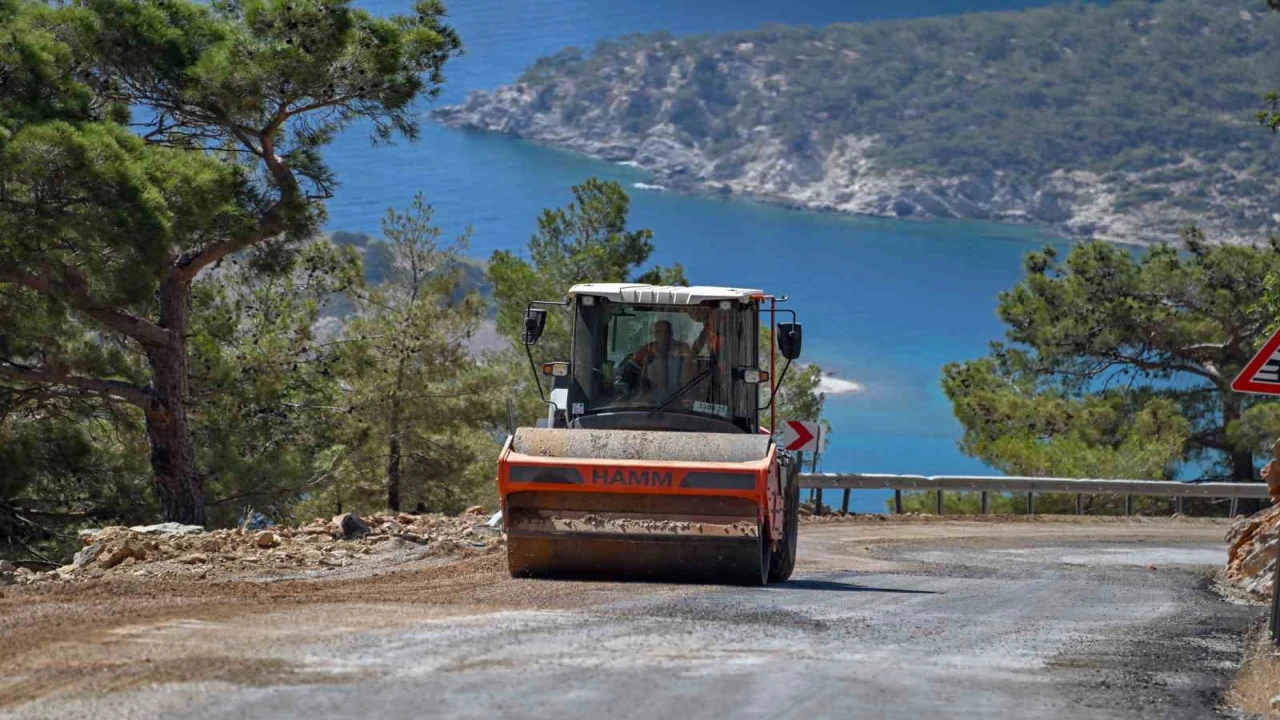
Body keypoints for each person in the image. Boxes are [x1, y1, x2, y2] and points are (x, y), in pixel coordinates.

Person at [629, 319, 694, 402]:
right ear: (654, 333)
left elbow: (688, 375)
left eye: (666, 332)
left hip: (678, 395)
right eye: (658, 331)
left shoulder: (682, 348)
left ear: (671, 333)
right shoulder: (647, 349)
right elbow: (633, 368)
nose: (662, 335)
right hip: (650, 396)